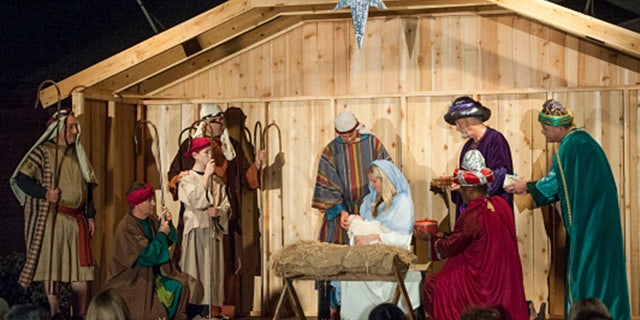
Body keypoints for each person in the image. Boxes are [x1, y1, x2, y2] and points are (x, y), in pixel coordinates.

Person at [504, 99, 630, 319]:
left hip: (591, 225)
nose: (542, 132)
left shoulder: (572, 146)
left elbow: (556, 183)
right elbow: (566, 184)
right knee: (603, 272)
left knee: (587, 273)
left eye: (545, 127)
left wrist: (528, 186)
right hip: (599, 222)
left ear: (559, 126)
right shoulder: (583, 142)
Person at [168, 104, 263, 315]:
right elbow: (175, 175)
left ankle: (220, 310)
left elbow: (247, 177)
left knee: (224, 265)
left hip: (222, 216)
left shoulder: (232, 146)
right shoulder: (190, 146)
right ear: (205, 123)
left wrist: (257, 164)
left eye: (222, 120)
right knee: (194, 264)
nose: (220, 125)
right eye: (215, 120)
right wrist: (181, 179)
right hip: (197, 217)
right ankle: (194, 308)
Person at [9, 106, 98, 318]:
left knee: (80, 270)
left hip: (77, 220)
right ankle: (55, 312)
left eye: (76, 126)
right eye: (71, 127)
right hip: (54, 218)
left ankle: (80, 314)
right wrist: (44, 193)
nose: (76, 131)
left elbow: (88, 184)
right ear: (58, 129)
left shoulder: (78, 153)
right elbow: (21, 179)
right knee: (53, 268)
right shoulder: (42, 152)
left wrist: (91, 214)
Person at [419, 150, 528, 320]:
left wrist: (430, 239)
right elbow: (472, 239)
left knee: (432, 286)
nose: (460, 192)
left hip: (480, 279)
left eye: (462, 188)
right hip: (503, 277)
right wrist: (441, 234)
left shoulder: (474, 213)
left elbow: (453, 246)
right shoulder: (500, 205)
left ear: (469, 189)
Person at [312, 111, 391, 319]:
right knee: (334, 262)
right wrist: (340, 211)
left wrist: (375, 204)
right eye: (342, 136)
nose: (346, 140)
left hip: (371, 211)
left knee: (368, 263)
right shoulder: (331, 150)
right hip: (341, 213)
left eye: (349, 135)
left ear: (356, 128)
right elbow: (326, 183)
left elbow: (388, 173)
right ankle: (332, 311)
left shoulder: (373, 144)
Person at [340, 160, 421, 320]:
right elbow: (363, 227)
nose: (371, 184)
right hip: (368, 250)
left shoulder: (402, 202)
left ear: (385, 180)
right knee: (352, 267)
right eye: (370, 180)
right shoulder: (370, 200)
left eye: (374, 181)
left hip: (391, 252)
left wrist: (375, 236)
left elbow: (402, 238)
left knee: (361, 267)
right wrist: (353, 224)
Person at [105, 181, 188, 320]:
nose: (154, 204)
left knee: (180, 285)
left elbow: (166, 242)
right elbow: (146, 256)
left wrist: (167, 224)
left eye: (153, 199)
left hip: (151, 275)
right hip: (132, 279)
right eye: (149, 200)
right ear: (137, 203)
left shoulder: (151, 221)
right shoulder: (127, 228)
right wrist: (161, 234)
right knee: (147, 312)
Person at [178, 137, 231, 318]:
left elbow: (226, 206)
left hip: (212, 233)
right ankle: (193, 311)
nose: (210, 156)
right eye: (206, 153)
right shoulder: (187, 180)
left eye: (211, 152)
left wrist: (219, 213)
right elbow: (197, 201)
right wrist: (206, 176)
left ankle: (209, 310)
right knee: (195, 272)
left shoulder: (217, 182)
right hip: (196, 232)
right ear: (195, 155)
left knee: (211, 275)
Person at [438, 96, 513, 219]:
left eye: (458, 123)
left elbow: (501, 173)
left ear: (469, 119)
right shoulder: (468, 146)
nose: (457, 128)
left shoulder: (495, 139)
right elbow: (467, 177)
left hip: (491, 210)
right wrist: (456, 183)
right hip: (471, 212)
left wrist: (466, 185)